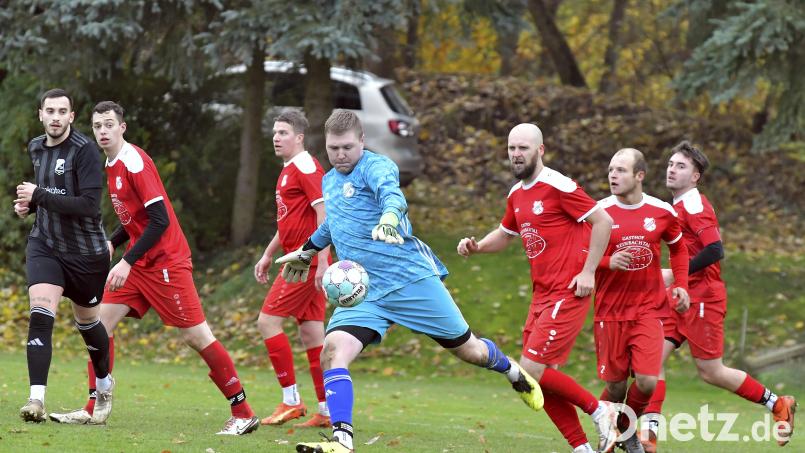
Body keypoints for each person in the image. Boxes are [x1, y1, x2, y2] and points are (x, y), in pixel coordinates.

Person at [276, 110, 543, 453]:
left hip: (409, 280)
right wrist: (308, 250)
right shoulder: (330, 180)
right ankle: (342, 441)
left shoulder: (377, 167)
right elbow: (333, 225)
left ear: (361, 141)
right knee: (332, 352)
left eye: (346, 147)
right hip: (364, 289)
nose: (340, 155)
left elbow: (393, 197)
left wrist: (388, 220)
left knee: (470, 350)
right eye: (333, 148)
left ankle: (510, 370)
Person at [47, 101, 259, 435]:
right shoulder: (111, 161)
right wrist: (114, 242)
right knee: (99, 323)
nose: (102, 131)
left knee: (196, 335)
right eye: (97, 125)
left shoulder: (134, 163)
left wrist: (126, 261)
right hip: (141, 261)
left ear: (122, 127)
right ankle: (95, 406)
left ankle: (243, 411)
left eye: (108, 125)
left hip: (166, 263)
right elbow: (137, 217)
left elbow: (159, 220)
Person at [457, 123, 618, 453]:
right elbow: (505, 234)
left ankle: (601, 411)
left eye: (523, 148)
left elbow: (603, 221)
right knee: (538, 377)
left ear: (540, 150)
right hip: (542, 295)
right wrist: (477, 246)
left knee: (529, 370)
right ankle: (581, 448)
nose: (516, 154)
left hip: (568, 290)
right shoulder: (517, 193)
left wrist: (589, 272)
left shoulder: (558, 185)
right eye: (512, 148)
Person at [640, 141, 797, 451]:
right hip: (681, 295)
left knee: (711, 372)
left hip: (703, 298)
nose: (672, 169)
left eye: (681, 166)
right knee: (650, 359)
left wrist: (673, 274)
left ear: (696, 176)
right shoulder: (676, 206)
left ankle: (778, 404)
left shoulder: (695, 204)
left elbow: (715, 249)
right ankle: (648, 434)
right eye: (670, 164)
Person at [14, 89, 114, 424]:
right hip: (45, 245)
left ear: (72, 116)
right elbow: (46, 199)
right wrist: (29, 206)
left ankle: (104, 383)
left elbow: (88, 206)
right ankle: (36, 400)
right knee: (41, 313)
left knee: (88, 323)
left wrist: (39, 195)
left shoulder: (84, 151)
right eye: (50, 111)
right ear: (40, 113)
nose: (55, 117)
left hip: (86, 254)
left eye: (62, 112)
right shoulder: (35, 147)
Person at [593, 148, 690, 453]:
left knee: (647, 380)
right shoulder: (598, 213)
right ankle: (616, 432)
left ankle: (623, 431)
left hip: (649, 309)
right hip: (609, 312)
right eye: (611, 169)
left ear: (639, 176)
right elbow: (579, 257)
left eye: (620, 170)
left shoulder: (661, 211)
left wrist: (682, 285)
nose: (612, 175)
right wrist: (608, 261)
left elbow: (679, 249)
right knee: (616, 386)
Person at [253, 109, 331, 428]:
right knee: (313, 336)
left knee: (267, 322)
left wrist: (323, 261)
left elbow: (326, 215)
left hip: (304, 262)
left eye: (283, 132)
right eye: (274, 132)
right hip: (298, 258)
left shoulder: (306, 167)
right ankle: (326, 411)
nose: (276, 137)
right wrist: (269, 253)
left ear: (299, 137)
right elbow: (288, 221)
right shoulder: (288, 169)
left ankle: (291, 400)